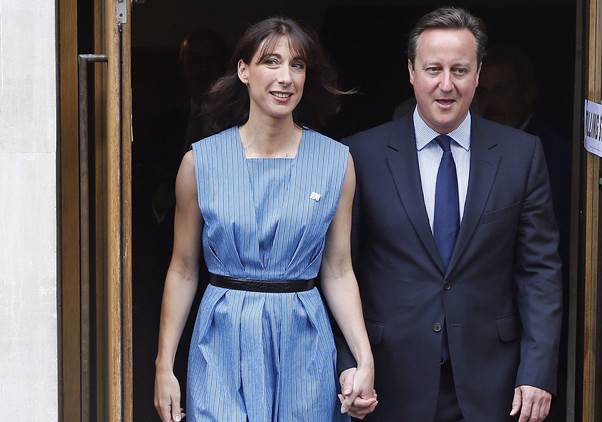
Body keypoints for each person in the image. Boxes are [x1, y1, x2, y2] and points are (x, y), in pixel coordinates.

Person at [339, 7, 562, 422]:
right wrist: (348, 364)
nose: (446, 85)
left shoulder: (521, 154)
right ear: (411, 72)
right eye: (433, 69)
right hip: (388, 380)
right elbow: (340, 269)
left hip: (493, 383)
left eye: (459, 70)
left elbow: (539, 271)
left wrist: (537, 371)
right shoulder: (361, 155)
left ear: (478, 74)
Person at [153, 17, 376, 422]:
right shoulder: (200, 163)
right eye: (271, 61)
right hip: (221, 340)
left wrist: (364, 357)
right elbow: (183, 269)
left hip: (303, 340)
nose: (285, 77)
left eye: (297, 65)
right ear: (243, 70)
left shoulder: (335, 162)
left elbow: (339, 269)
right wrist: (164, 366)